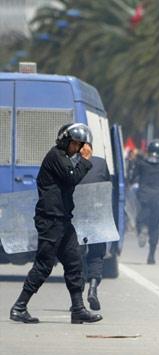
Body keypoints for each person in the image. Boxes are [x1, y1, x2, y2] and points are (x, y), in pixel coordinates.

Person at [9, 123, 102, 324]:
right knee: (44, 266)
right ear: (65, 141)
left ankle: (78, 309)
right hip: (50, 220)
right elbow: (72, 178)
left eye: (80, 145)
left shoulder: (66, 159)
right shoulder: (56, 156)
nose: (77, 148)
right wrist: (85, 160)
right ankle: (19, 307)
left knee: (74, 263)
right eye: (75, 144)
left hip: (62, 220)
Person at [78, 143, 111, 311]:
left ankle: (77, 300)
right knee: (96, 254)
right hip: (98, 214)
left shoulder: (70, 164)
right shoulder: (101, 163)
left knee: (75, 258)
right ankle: (92, 288)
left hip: (77, 217)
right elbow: (107, 185)